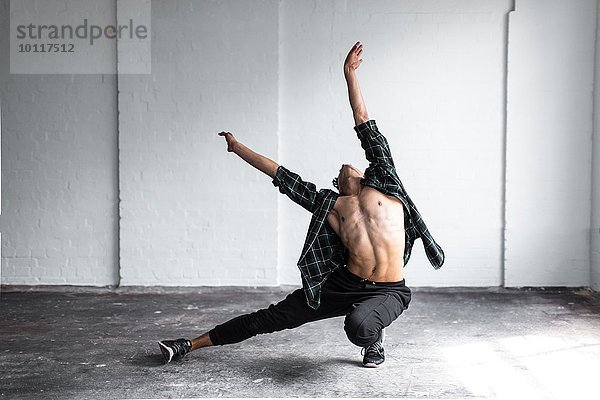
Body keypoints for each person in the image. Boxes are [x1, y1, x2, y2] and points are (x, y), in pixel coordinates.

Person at [158, 42, 444, 368]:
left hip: (390, 291)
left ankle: (373, 338)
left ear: (364, 173)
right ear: (338, 182)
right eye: (340, 170)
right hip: (343, 286)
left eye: (352, 165)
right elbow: (282, 175)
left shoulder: (387, 181)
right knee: (269, 318)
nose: (346, 166)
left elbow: (363, 120)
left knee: (359, 325)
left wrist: (349, 74)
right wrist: (238, 148)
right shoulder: (330, 205)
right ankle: (188, 345)